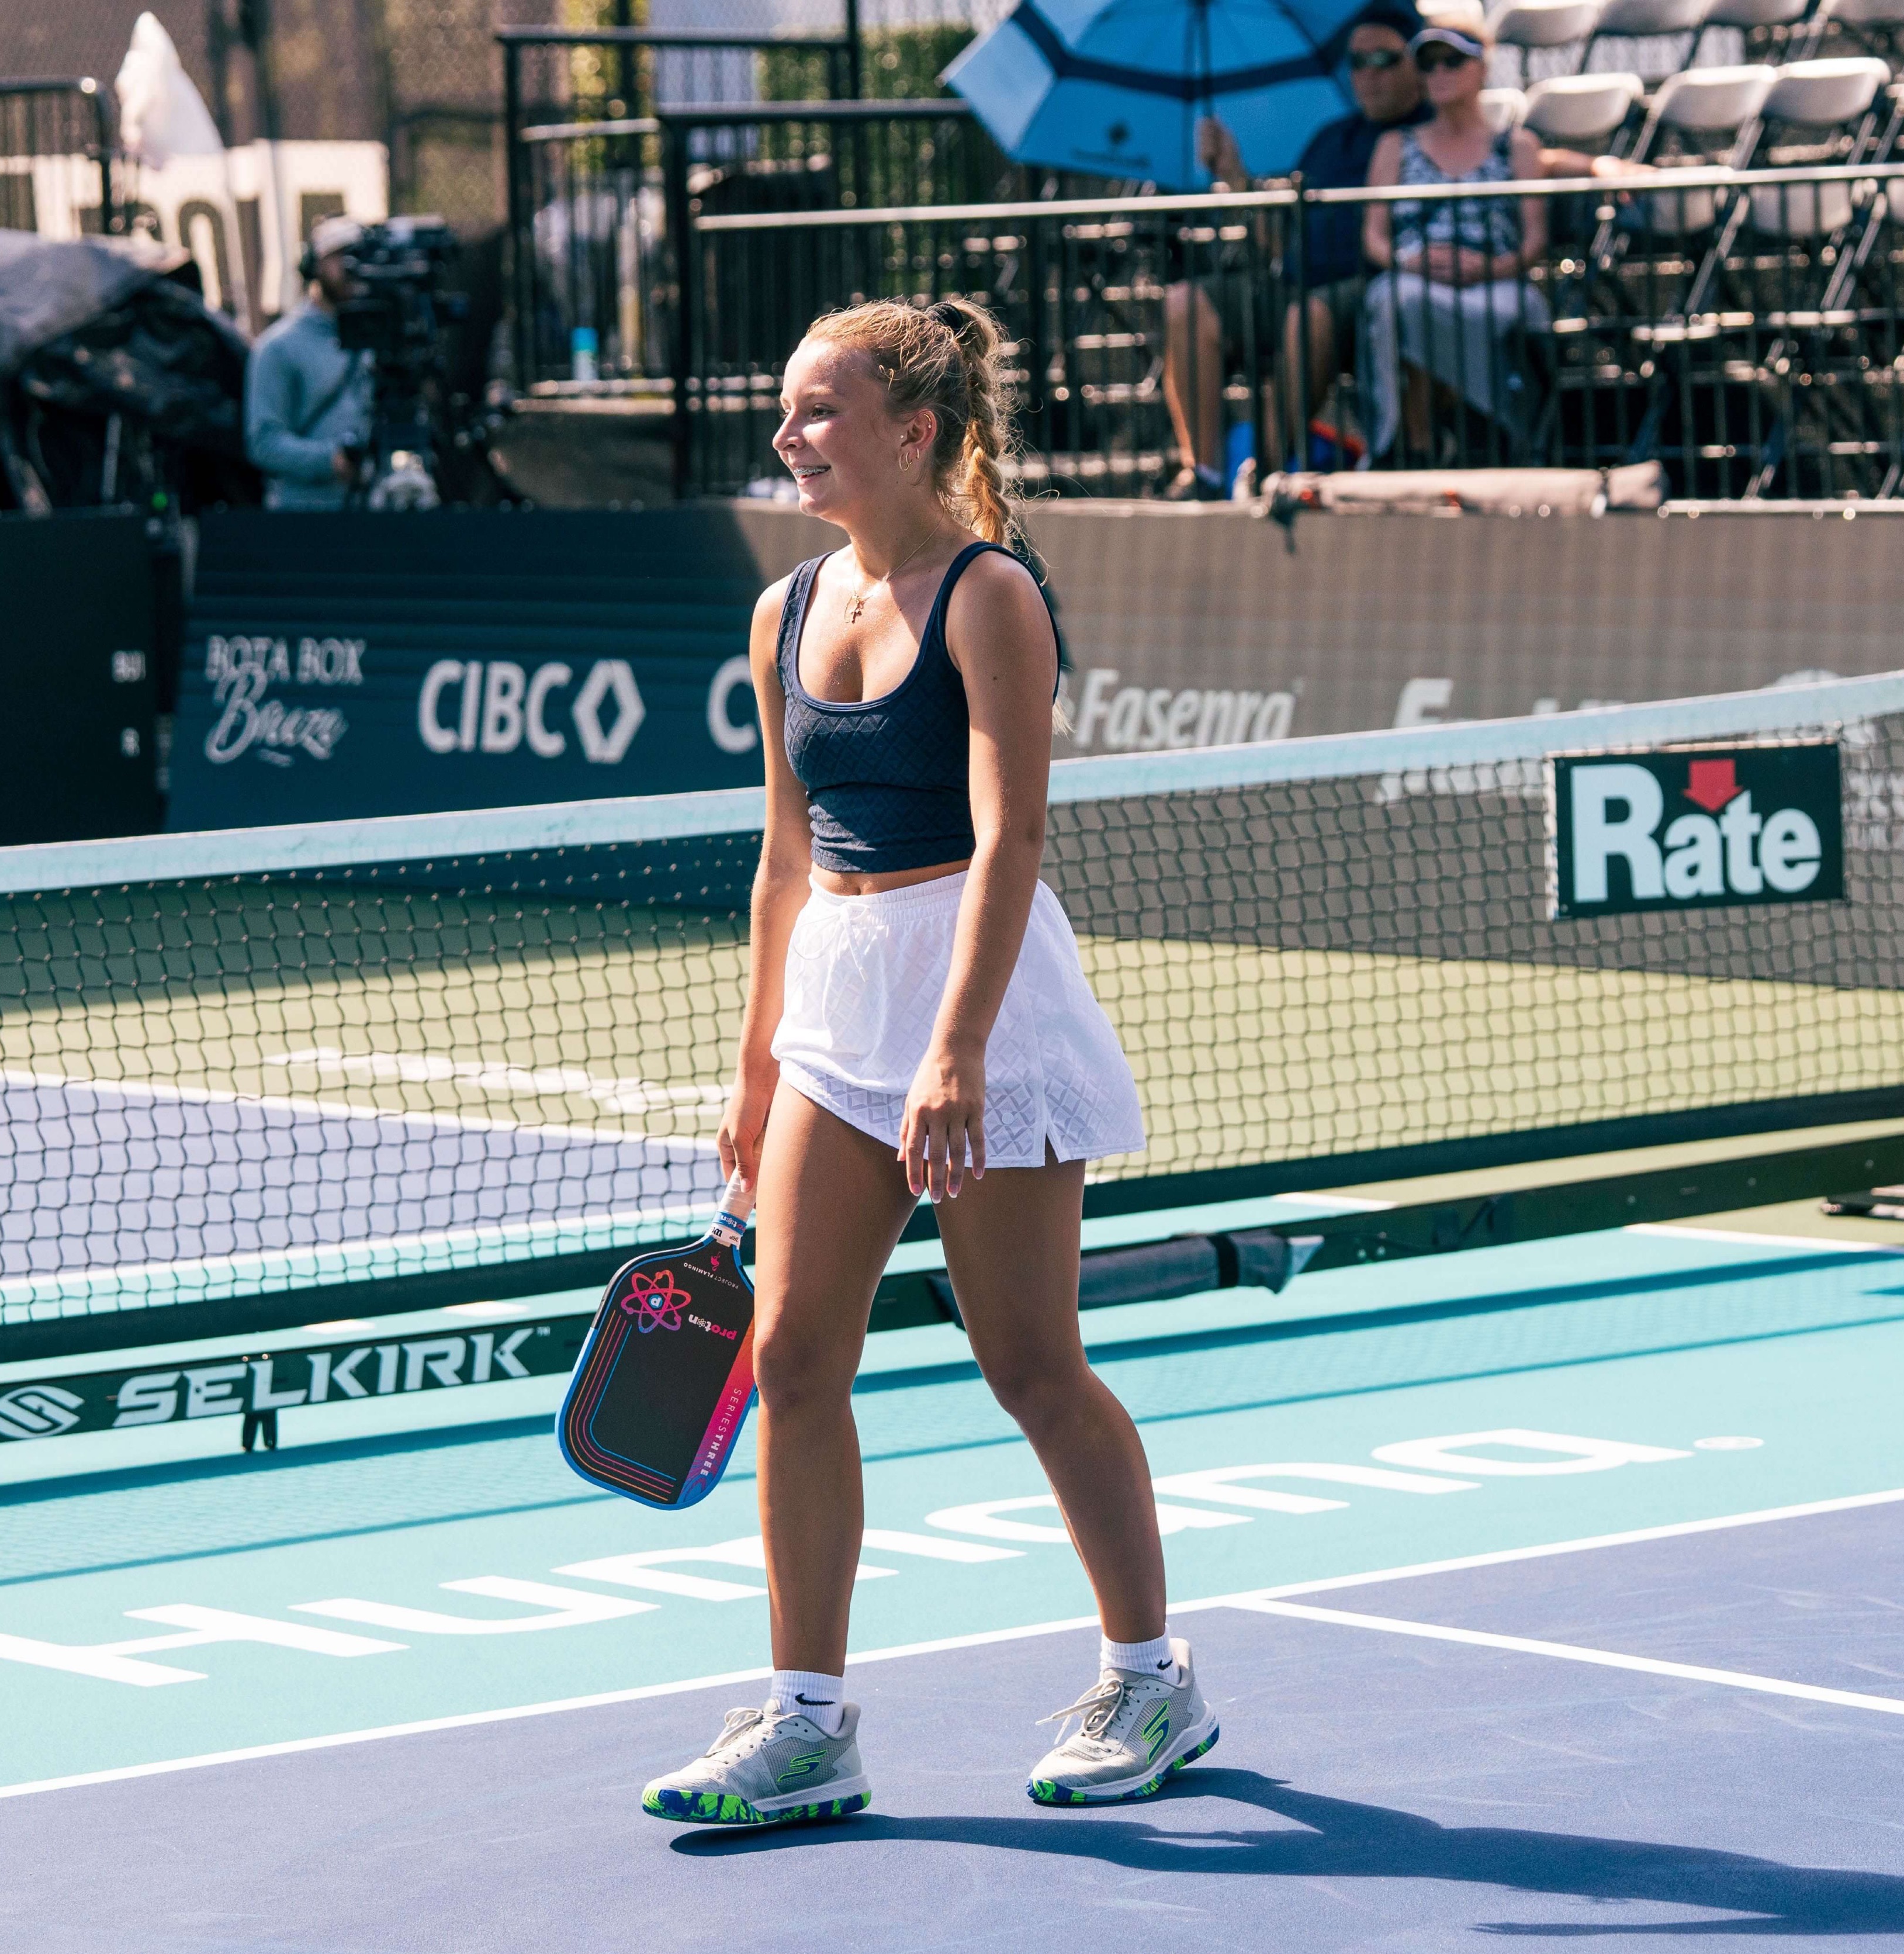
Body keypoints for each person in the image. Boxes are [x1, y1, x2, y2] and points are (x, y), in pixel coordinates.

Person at [642, 296, 1213, 1828]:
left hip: (985, 990)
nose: (789, 434)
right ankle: (810, 1718)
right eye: (787, 407)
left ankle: (1151, 1673)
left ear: (915, 432)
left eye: (820, 409)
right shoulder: (783, 611)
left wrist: (955, 1051)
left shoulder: (991, 596)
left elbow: (1014, 830)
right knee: (792, 1357)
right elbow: (781, 854)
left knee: (1027, 1358)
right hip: (837, 998)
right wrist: (758, 1064)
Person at [1163, 0, 1425, 496]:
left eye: (1383, 60)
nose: (1367, 75)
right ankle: (1205, 473)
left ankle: (1258, 473)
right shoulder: (1329, 138)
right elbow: (1282, 244)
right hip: (1295, 286)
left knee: (1312, 315)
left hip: (1369, 293)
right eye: (1357, 62)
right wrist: (1236, 176)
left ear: (1416, 63)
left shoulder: (1429, 136)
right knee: (1185, 304)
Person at [1361, 20, 1550, 462]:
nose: (1440, 73)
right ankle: (1410, 446)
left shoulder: (1518, 146)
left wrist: (1488, 269)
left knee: (1503, 310)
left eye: (1453, 60)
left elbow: (1535, 239)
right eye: (1427, 65)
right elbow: (1373, 236)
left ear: (1482, 67)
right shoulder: (1395, 145)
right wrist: (1410, 263)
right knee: (1397, 300)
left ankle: (1505, 439)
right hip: (1415, 277)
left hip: (1496, 281)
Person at [244, 214, 374, 510]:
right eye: (340, 256)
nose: (351, 267)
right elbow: (264, 442)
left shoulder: (383, 341)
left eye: (359, 256)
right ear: (313, 266)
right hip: (308, 517)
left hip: (376, 510)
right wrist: (330, 460)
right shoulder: (278, 348)